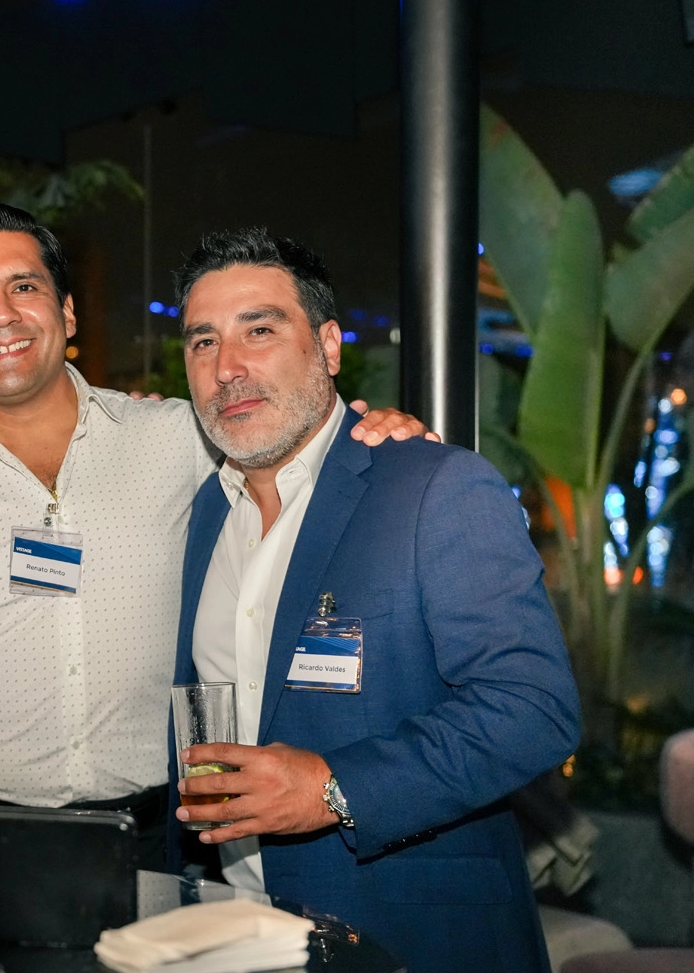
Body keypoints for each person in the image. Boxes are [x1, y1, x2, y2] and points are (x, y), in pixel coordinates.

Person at [0, 201, 430, 869]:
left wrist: (376, 431)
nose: (0, 315)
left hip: (166, 837)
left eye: (23, 286)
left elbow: (296, 439)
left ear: (66, 314)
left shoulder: (184, 438)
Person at [170, 228, 580, 973]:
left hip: (411, 939)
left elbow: (533, 709)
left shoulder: (436, 487)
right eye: (204, 342)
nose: (227, 367)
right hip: (236, 930)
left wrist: (333, 789)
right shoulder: (206, 513)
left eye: (259, 330)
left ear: (328, 347)